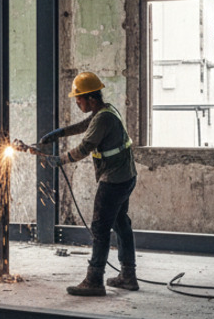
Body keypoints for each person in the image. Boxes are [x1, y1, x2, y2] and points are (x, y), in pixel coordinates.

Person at [28, 71, 138, 296]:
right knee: (121, 224)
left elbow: (85, 147)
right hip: (125, 176)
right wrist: (58, 134)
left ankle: (94, 280)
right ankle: (128, 276)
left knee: (100, 227)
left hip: (114, 180)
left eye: (79, 98)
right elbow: (85, 126)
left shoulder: (104, 118)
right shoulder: (104, 112)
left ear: (91, 98)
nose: (77, 101)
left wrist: (61, 160)